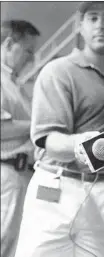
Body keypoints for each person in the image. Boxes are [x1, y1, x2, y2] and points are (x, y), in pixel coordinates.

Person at [14, 2, 104, 257]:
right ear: (81, 25)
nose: (100, 25)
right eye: (93, 18)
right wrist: (78, 144)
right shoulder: (58, 71)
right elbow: (47, 138)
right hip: (58, 185)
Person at [1, 20, 40, 257]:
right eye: (28, 51)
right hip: (6, 172)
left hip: (22, 174)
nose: (31, 59)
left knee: (13, 245)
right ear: (8, 44)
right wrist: (39, 125)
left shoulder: (14, 84)